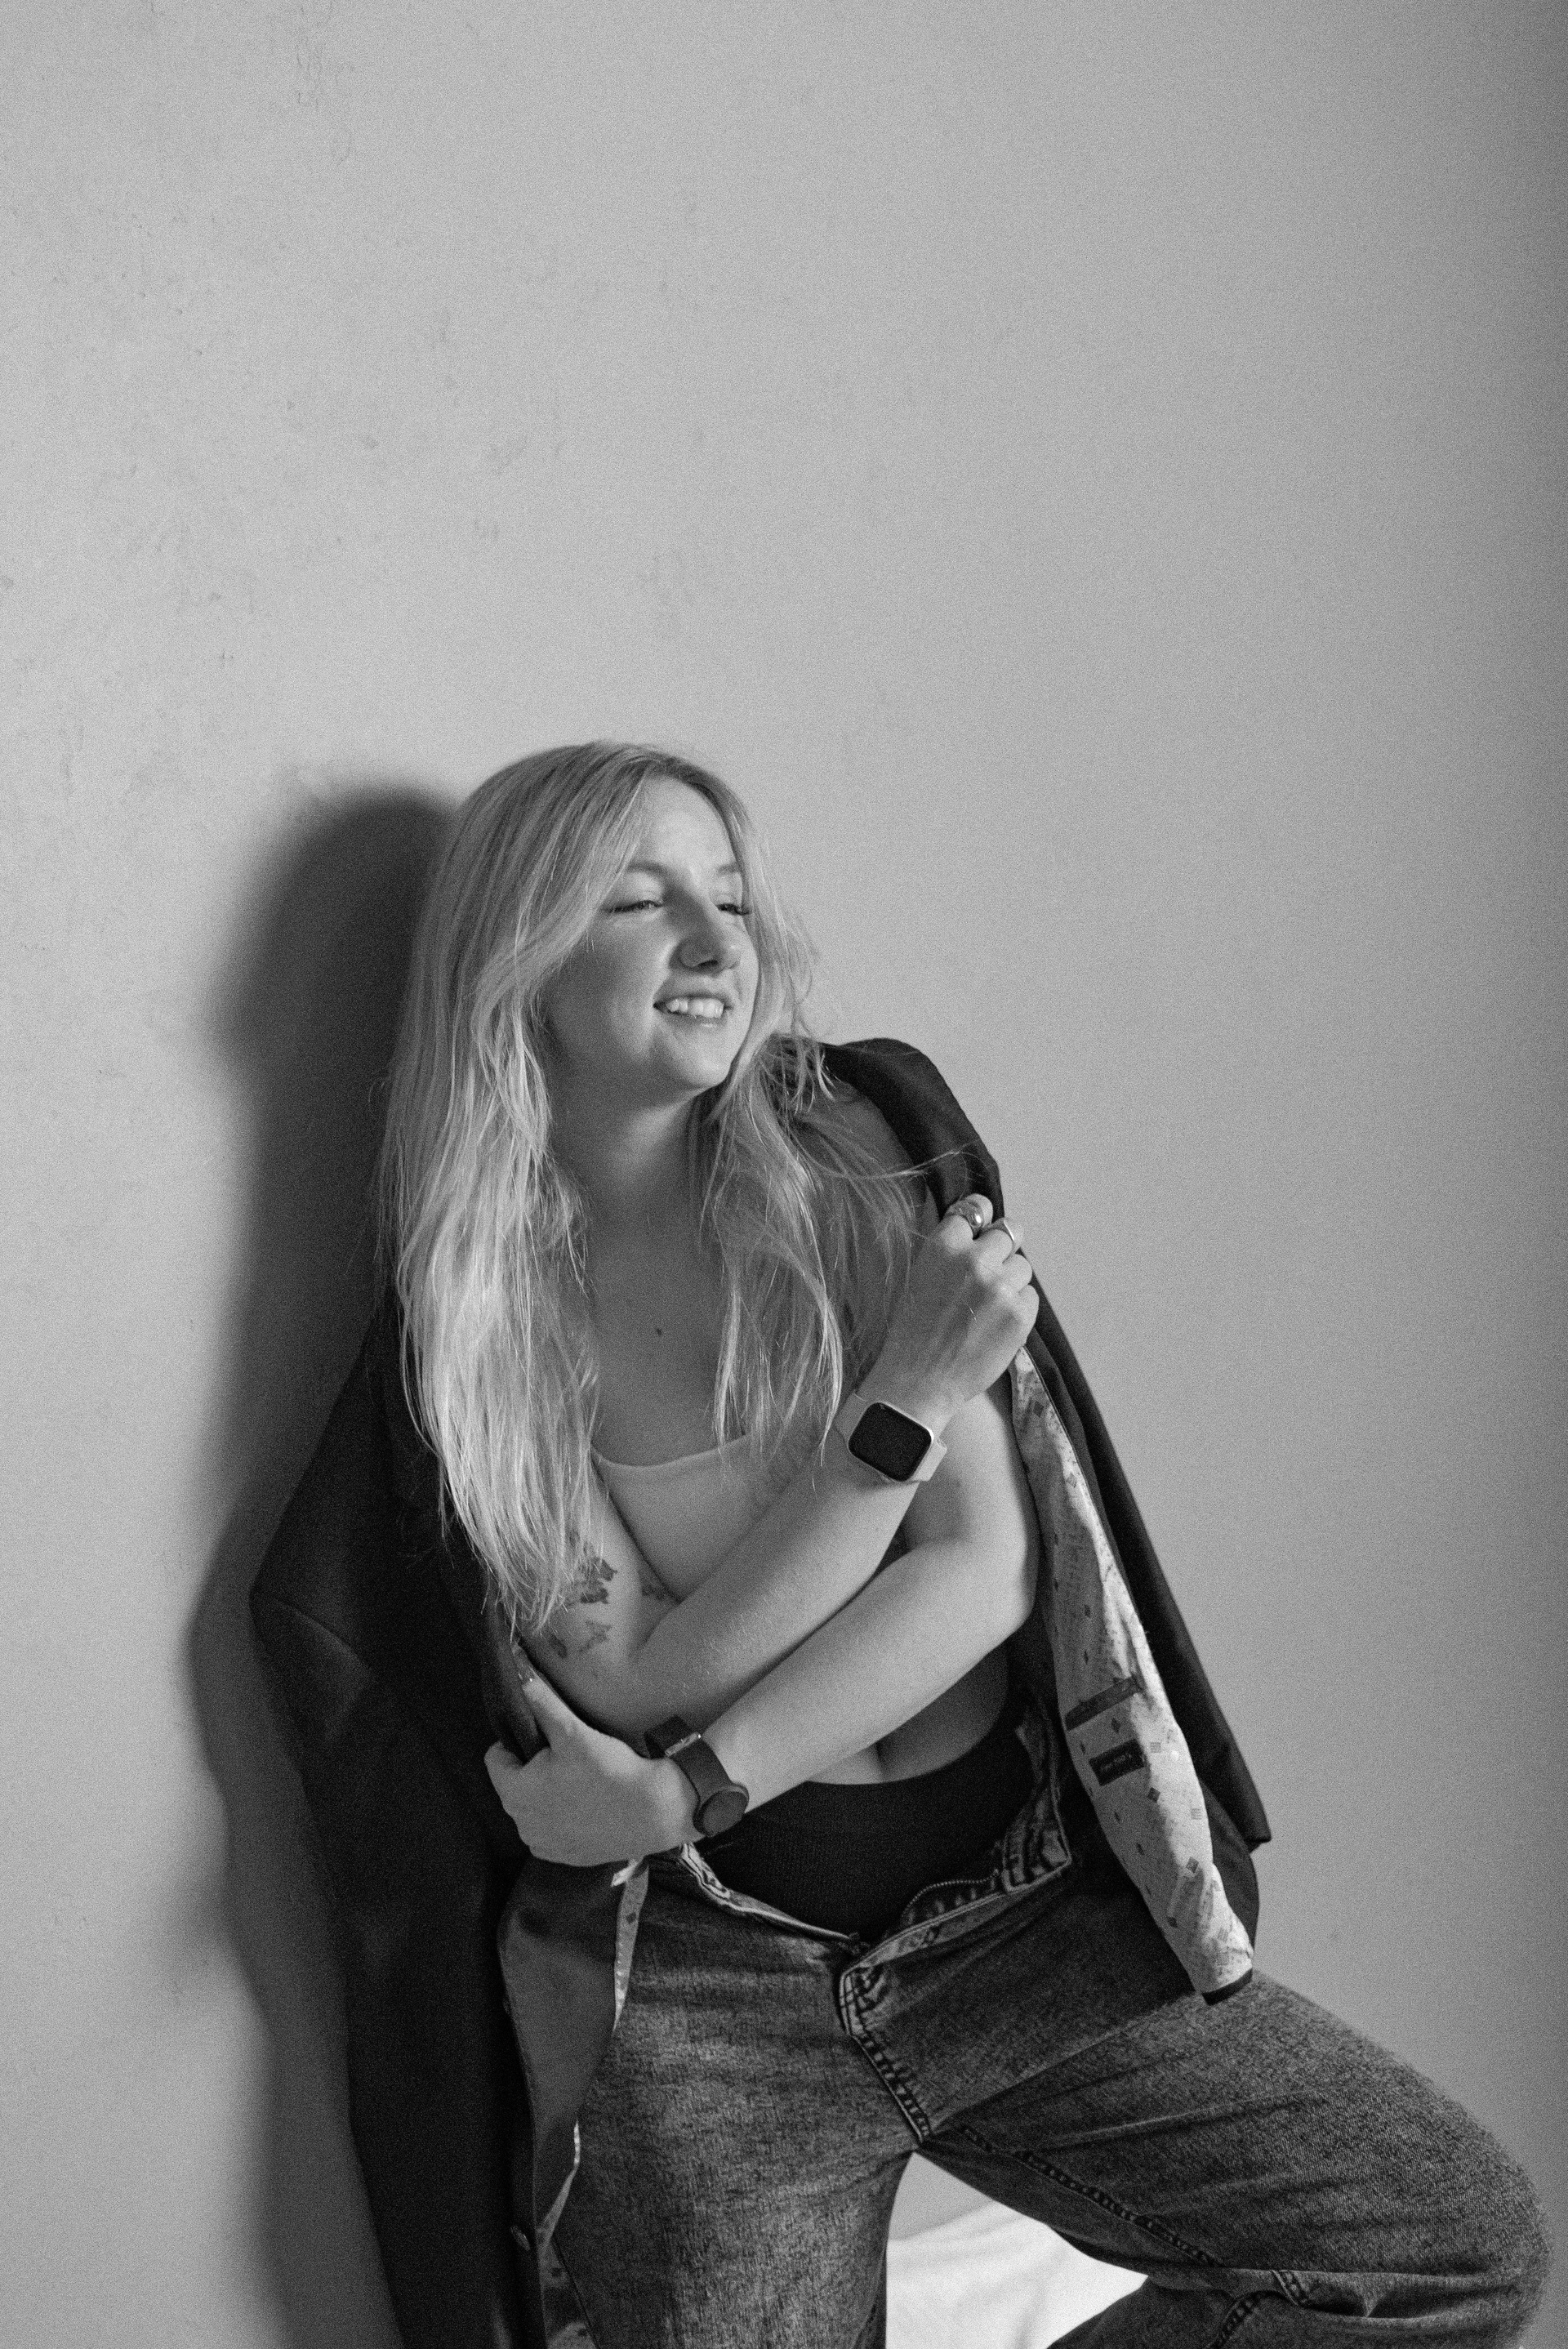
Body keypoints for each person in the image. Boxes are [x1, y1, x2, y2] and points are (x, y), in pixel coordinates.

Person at [256, 742, 1549, 2349]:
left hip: (1010, 1923)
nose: (714, 944)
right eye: (640, 904)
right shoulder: (475, 1326)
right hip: (713, 2003)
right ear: (516, 957)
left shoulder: (848, 1158)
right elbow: (642, 1671)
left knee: (1447, 2245)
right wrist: (903, 1406)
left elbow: (980, 1573)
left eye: (731, 898)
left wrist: (681, 1787)